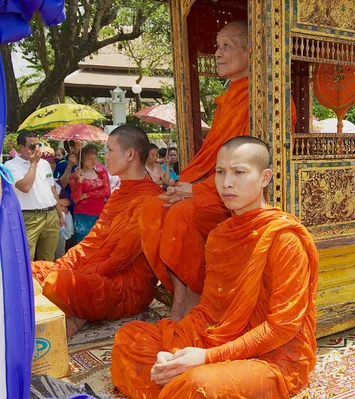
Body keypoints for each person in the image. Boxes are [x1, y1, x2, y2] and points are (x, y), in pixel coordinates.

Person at [111, 137, 318, 399]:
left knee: (199, 385)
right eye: (220, 172)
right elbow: (209, 310)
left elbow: (282, 328)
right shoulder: (220, 235)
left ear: (265, 177)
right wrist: (176, 349)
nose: (227, 183)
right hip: (215, 340)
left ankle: (177, 383)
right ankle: (175, 380)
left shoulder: (285, 239)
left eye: (239, 172)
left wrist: (206, 358)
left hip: (271, 357)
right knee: (129, 338)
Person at [140, 20, 296, 321]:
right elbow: (211, 158)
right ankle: (186, 295)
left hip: (243, 194)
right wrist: (186, 185)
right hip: (217, 186)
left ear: (251, 51)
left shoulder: (267, 99)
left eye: (227, 46)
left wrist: (198, 191)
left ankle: (191, 302)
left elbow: (254, 163)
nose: (217, 53)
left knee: (181, 215)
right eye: (217, 45)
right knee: (151, 209)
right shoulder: (230, 99)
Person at [31, 125, 163, 336]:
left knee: (60, 283)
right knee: (32, 271)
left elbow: (119, 259)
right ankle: (75, 311)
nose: (105, 157)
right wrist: (63, 265)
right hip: (95, 273)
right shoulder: (119, 195)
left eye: (110, 150)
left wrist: (72, 276)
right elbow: (93, 240)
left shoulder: (150, 200)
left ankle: (74, 311)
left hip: (126, 286)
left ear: (130, 154)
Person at [4, 132, 64, 261]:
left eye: (39, 145)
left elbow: (51, 189)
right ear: (21, 147)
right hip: (29, 217)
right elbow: (25, 187)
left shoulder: (45, 164)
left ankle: (45, 281)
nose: (37, 149)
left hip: (50, 214)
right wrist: (33, 164)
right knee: (27, 258)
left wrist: (59, 213)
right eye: (32, 146)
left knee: (48, 258)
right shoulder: (11, 165)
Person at [69, 144, 110, 243]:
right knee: (83, 243)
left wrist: (87, 195)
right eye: (90, 158)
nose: (93, 161)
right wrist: (79, 180)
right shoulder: (74, 176)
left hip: (99, 213)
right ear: (82, 159)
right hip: (82, 215)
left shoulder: (101, 172)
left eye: (95, 158)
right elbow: (76, 198)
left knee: (99, 242)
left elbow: (106, 191)